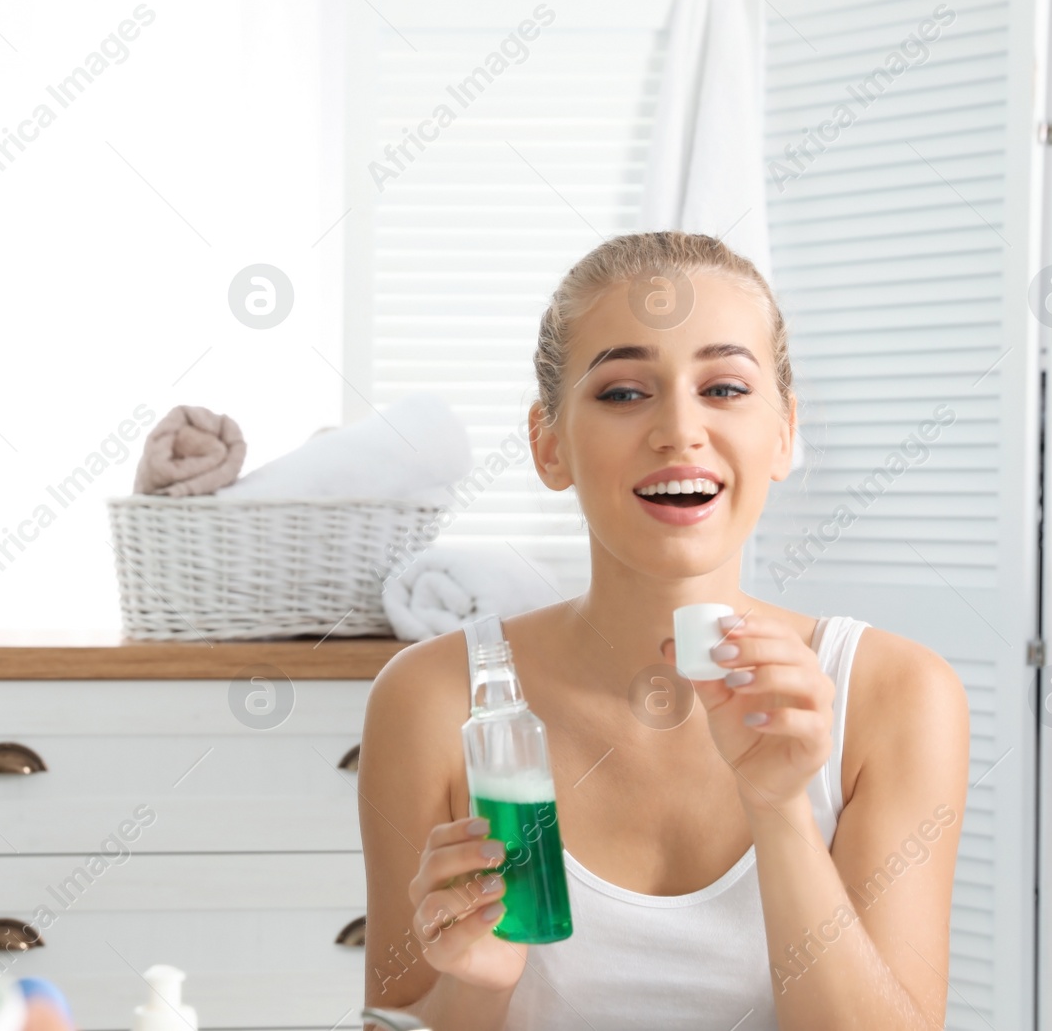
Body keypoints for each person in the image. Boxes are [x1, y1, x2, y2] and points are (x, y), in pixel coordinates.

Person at [358, 231, 970, 1029]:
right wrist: (475, 983)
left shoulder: (897, 696)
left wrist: (781, 807)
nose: (679, 429)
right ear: (549, 443)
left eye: (723, 388)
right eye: (622, 392)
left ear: (784, 432)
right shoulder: (431, 698)